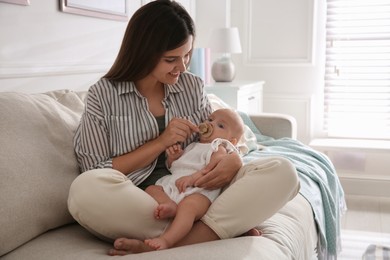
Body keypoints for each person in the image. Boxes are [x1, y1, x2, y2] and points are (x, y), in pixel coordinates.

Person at [67, 0, 300, 256]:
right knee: (84, 190)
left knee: (283, 172)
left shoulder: (191, 86)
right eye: (171, 59)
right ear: (143, 52)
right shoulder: (102, 95)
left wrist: (233, 159)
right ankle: (218, 227)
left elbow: (215, 140)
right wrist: (160, 142)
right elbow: (95, 169)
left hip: (200, 191)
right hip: (145, 200)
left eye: (187, 55)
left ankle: (168, 239)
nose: (183, 67)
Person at [144, 108, 245, 250]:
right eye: (210, 119)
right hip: (175, 184)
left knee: (187, 208)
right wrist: (173, 158)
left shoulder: (217, 146)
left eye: (220, 125)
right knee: (152, 189)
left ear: (231, 141)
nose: (211, 124)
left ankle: (167, 240)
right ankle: (170, 205)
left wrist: (192, 178)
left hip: (199, 191)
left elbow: (212, 167)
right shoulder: (192, 145)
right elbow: (176, 168)